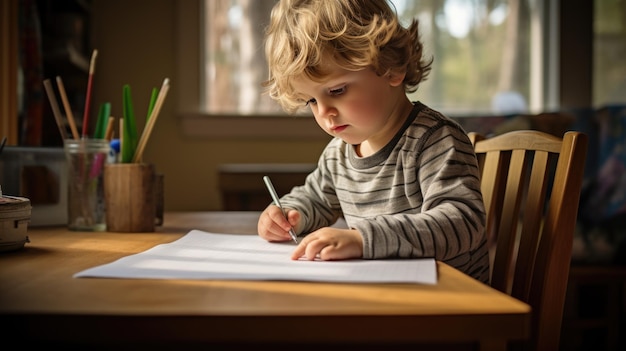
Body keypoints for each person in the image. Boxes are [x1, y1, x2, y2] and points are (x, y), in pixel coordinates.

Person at [257, 0, 489, 283]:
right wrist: (288, 214)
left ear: (391, 69)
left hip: (451, 303)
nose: (323, 111)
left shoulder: (435, 140)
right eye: (311, 100)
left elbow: (463, 223)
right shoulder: (338, 155)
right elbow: (315, 199)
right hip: (385, 294)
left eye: (337, 90)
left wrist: (364, 240)